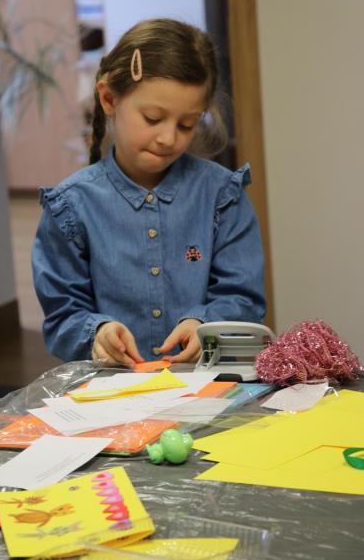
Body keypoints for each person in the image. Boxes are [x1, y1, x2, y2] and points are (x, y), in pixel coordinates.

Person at [32, 18, 266, 367]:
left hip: (206, 384)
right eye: (153, 118)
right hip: (113, 390)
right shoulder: (70, 207)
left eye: (186, 124)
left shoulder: (222, 196)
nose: (168, 138)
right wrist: (98, 333)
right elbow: (63, 315)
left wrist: (205, 326)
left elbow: (244, 298)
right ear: (109, 99)